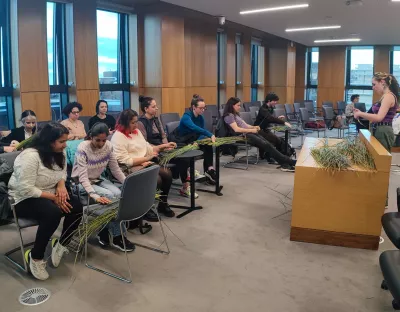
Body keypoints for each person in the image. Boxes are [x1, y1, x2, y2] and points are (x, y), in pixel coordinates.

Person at [8, 123, 83, 281]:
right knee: (52, 213)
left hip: (49, 191)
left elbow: (62, 172)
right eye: (61, 141)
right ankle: (35, 257)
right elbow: (25, 189)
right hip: (24, 197)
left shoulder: (58, 152)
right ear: (49, 141)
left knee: (77, 207)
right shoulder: (30, 156)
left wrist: (61, 185)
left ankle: (61, 244)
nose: (65, 145)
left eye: (65, 141)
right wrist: (54, 198)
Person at [71, 122, 135, 251]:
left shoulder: (108, 147)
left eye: (104, 140)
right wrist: (93, 194)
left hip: (97, 179)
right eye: (97, 140)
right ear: (90, 137)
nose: (101, 144)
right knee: (112, 196)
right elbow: (82, 177)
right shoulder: (83, 148)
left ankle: (104, 231)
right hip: (80, 183)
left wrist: (128, 184)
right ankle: (118, 236)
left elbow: (115, 169)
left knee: (118, 194)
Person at [111, 109, 175, 220]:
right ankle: (146, 209)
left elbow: (147, 148)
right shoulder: (118, 137)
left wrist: (162, 146)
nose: (136, 125)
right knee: (157, 179)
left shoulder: (136, 132)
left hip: (144, 162)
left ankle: (163, 204)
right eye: (133, 123)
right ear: (125, 123)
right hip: (128, 167)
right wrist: (145, 159)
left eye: (136, 122)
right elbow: (125, 161)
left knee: (167, 174)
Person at [137, 95, 197, 198]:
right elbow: (144, 143)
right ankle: (185, 186)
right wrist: (162, 147)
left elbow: (163, 135)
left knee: (184, 157)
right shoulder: (140, 122)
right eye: (154, 106)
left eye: (156, 106)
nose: (156, 108)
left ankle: (184, 186)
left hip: (163, 147)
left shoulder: (156, 119)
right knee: (181, 160)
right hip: (154, 151)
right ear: (146, 109)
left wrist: (166, 145)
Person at [223, 97, 296, 172]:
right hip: (242, 136)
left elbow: (245, 125)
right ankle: (288, 161)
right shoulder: (229, 116)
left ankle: (285, 163)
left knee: (268, 144)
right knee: (267, 145)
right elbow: (236, 129)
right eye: (238, 105)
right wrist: (251, 130)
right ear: (232, 105)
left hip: (248, 133)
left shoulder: (235, 115)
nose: (240, 107)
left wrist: (254, 127)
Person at [173, 94, 217, 184]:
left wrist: (198, 141)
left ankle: (209, 169)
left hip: (193, 140)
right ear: (194, 107)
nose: (203, 110)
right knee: (188, 156)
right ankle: (189, 176)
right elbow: (194, 127)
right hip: (182, 141)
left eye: (204, 108)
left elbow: (200, 132)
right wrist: (210, 134)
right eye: (201, 108)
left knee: (208, 145)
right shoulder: (186, 116)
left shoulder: (200, 118)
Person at [354, 72, 399, 151]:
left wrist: (360, 113)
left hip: (383, 131)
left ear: (382, 82)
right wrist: (361, 113)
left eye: (374, 84)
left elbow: (379, 117)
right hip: (378, 129)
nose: (373, 87)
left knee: (381, 159)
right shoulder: (385, 96)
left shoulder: (388, 96)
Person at [254, 93, 293, 159]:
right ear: (269, 101)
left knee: (278, 140)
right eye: (274, 101)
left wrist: (277, 117)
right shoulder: (263, 109)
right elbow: (270, 118)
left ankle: (278, 155)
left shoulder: (270, 108)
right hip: (258, 130)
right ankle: (269, 156)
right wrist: (284, 122)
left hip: (265, 129)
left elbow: (269, 119)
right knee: (274, 140)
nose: (276, 102)